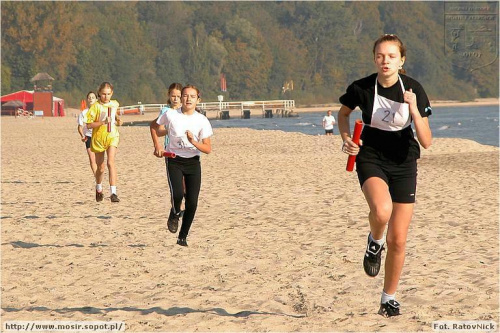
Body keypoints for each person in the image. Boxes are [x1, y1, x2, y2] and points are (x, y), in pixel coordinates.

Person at [337, 34, 432, 317]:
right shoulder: (362, 87)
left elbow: (426, 141)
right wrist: (346, 139)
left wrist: (414, 109)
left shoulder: (413, 88)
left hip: (404, 160)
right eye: (380, 56)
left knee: (399, 240)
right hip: (371, 155)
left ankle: (388, 298)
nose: (385, 61)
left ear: (401, 60)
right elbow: (343, 115)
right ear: (374, 58)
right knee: (381, 211)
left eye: (391, 56)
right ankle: (374, 241)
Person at [150, 85, 213, 247]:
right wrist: (157, 146)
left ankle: (182, 237)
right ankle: (175, 212)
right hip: (174, 160)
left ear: (198, 100)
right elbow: (153, 126)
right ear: (181, 98)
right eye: (185, 96)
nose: (188, 99)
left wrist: (194, 142)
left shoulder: (202, 120)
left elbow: (207, 149)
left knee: (192, 203)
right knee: (177, 194)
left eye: (192, 96)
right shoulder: (170, 114)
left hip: (193, 162)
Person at [86, 82, 123, 203]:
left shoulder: (115, 104)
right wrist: (102, 122)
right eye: (103, 94)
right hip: (98, 138)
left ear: (112, 93)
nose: (106, 96)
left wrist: (118, 120)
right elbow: (89, 125)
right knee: (100, 168)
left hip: (112, 136)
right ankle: (99, 187)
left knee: (110, 162)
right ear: (99, 94)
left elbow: (115, 114)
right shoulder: (95, 107)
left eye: (108, 94)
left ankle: (113, 192)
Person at [77, 91, 98, 176]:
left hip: (99, 136)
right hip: (88, 136)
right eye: (89, 98)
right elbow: (80, 126)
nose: (91, 99)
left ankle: (99, 174)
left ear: (96, 99)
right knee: (92, 158)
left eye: (93, 97)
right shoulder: (84, 113)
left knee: (100, 160)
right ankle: (96, 177)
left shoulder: (100, 110)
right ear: (87, 100)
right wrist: (82, 135)